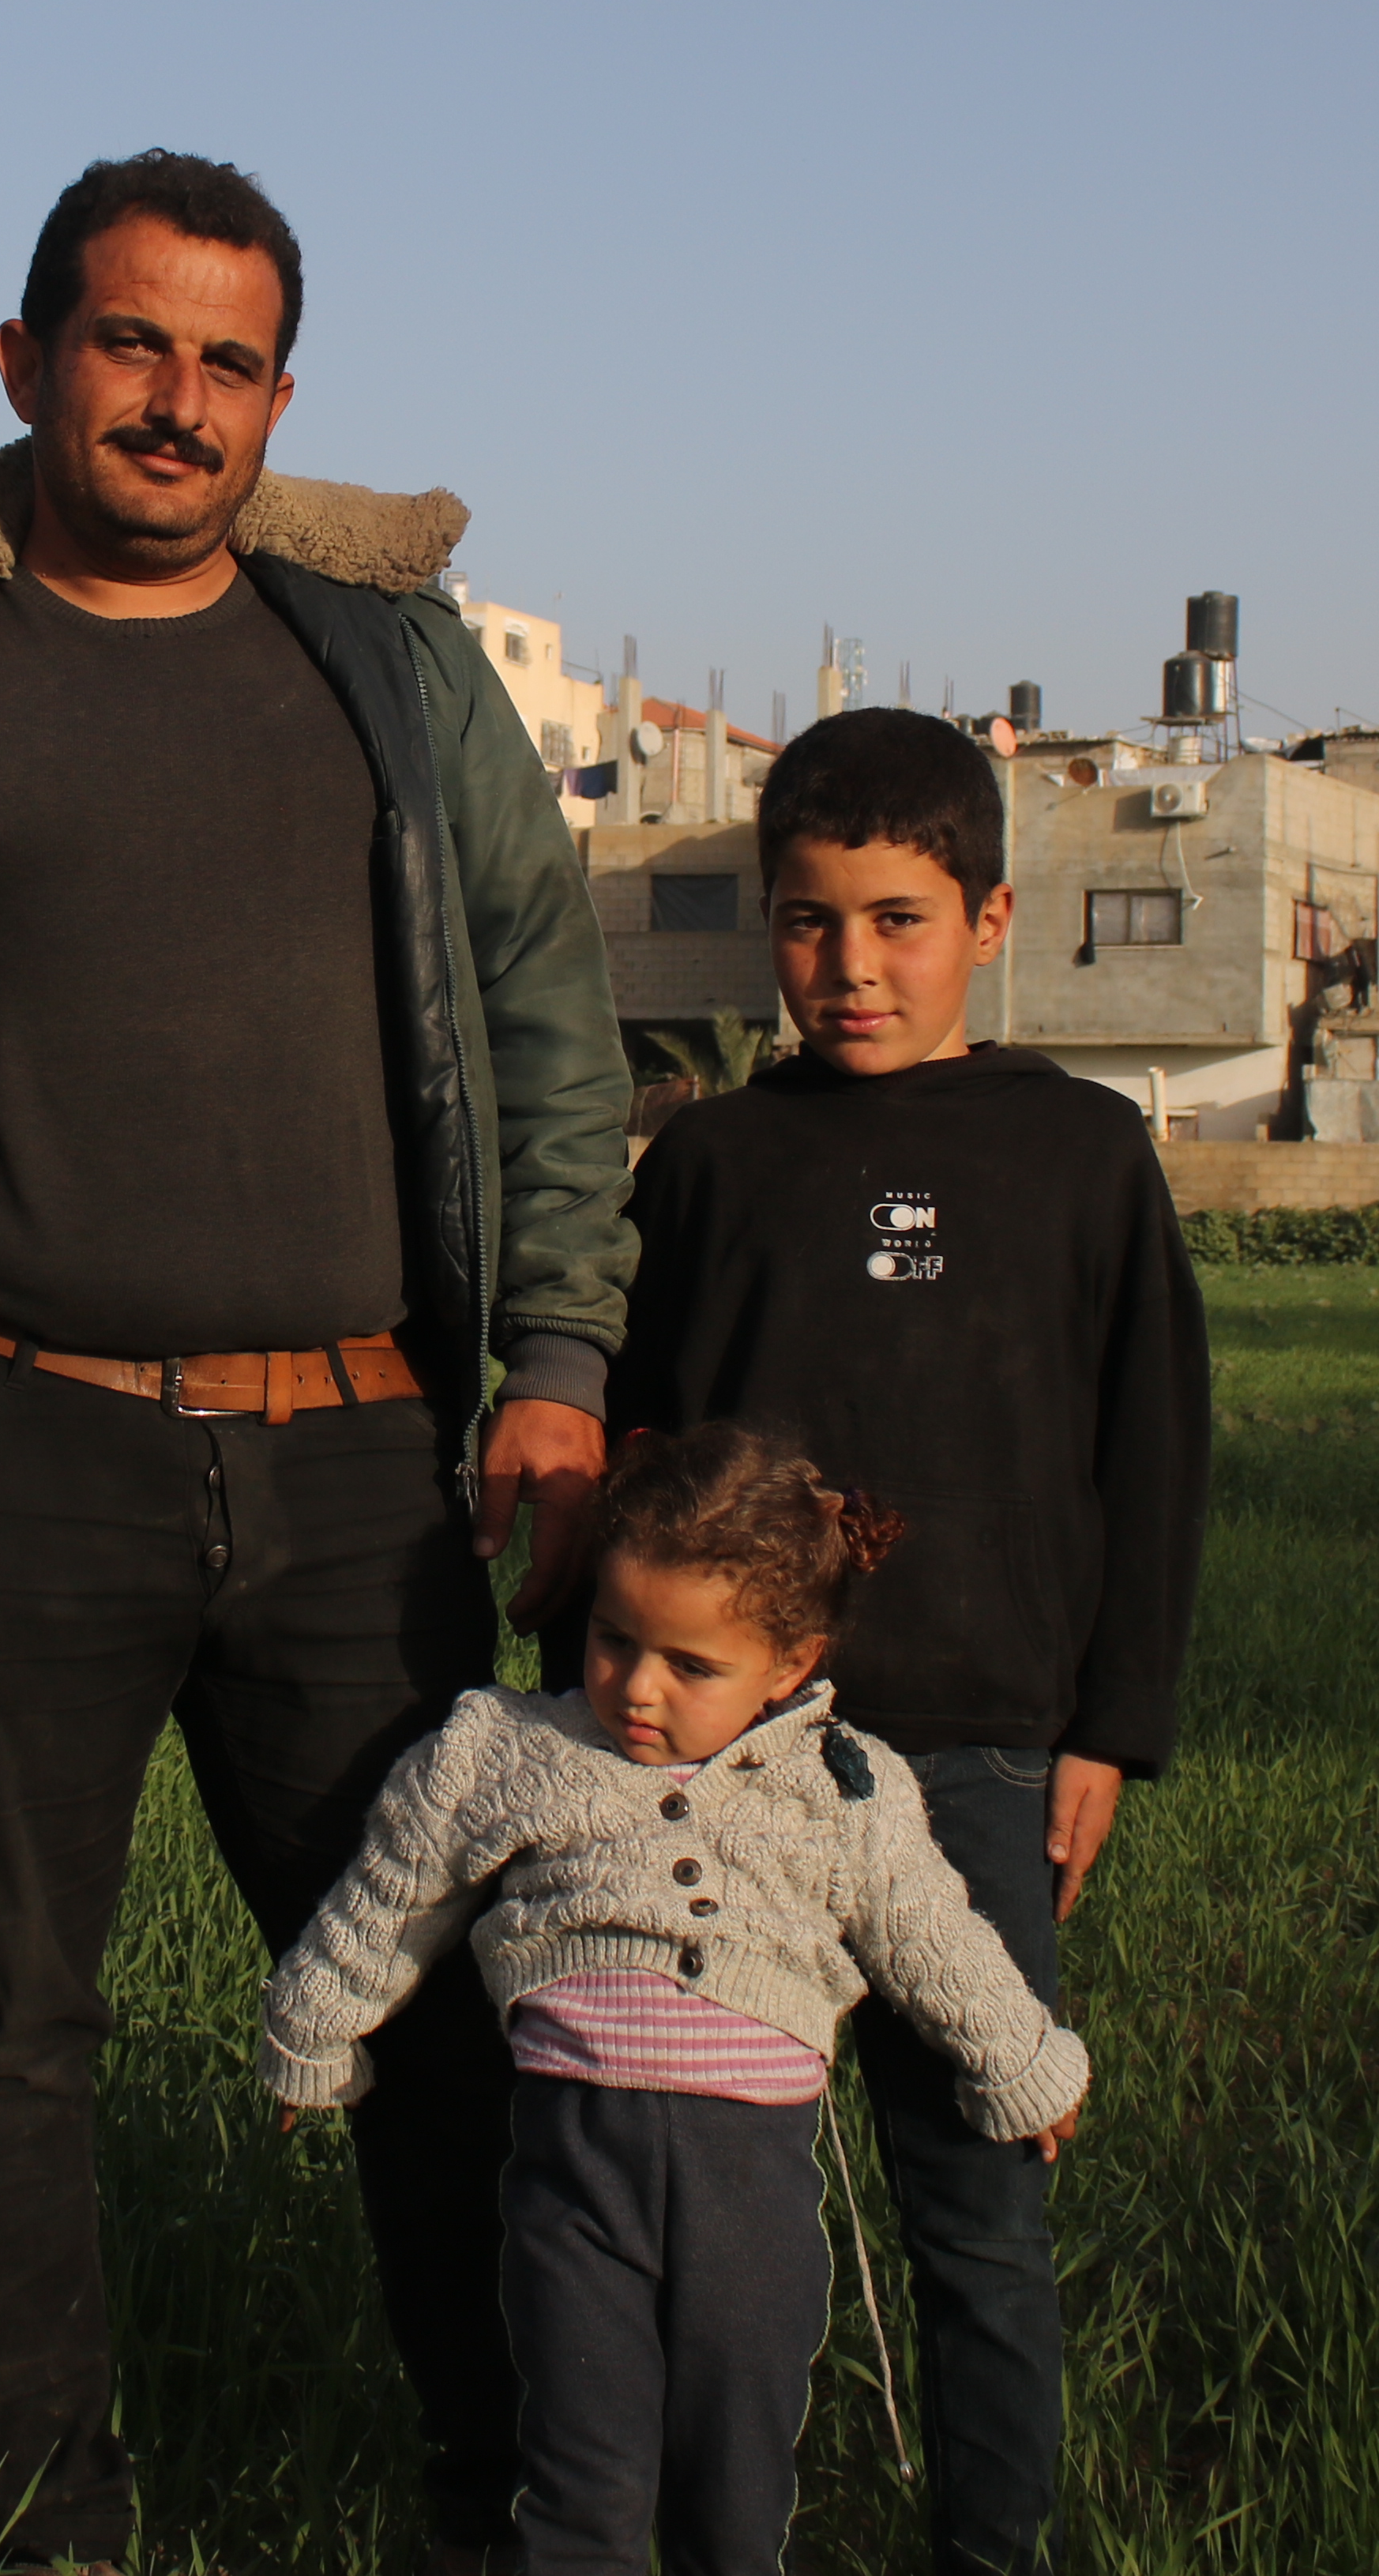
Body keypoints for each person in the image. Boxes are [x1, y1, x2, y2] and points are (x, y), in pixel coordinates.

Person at [0, 149, 637, 2573]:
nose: (178, 405)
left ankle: (515, 2503)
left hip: (362, 1461)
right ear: (25, 361)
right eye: (131, 344)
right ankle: (42, 2530)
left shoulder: (395, 669)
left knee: (442, 2013)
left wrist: (563, 1359)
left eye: (231, 360)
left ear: (285, 392)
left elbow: (545, 1025)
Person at [560, 706, 1210, 2576]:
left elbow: (1152, 1454)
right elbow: (638, 1449)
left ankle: (996, 2543)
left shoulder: (1082, 1156)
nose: (851, 966)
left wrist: (1110, 1728)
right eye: (809, 920)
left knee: (976, 2196)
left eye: (898, 918)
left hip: (986, 1754)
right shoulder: (707, 1166)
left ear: (990, 915)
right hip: (731, 1764)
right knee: (702, 2191)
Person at [261, 1423, 1089, 2576]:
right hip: (574, 2181)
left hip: (750, 2196)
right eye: (612, 1640)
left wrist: (1019, 2061)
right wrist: (314, 2025)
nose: (637, 1690)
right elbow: (394, 1891)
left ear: (790, 1665)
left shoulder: (840, 1784)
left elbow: (929, 1935)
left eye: (691, 1667)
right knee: (578, 2470)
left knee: (735, 2476)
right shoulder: (512, 1752)